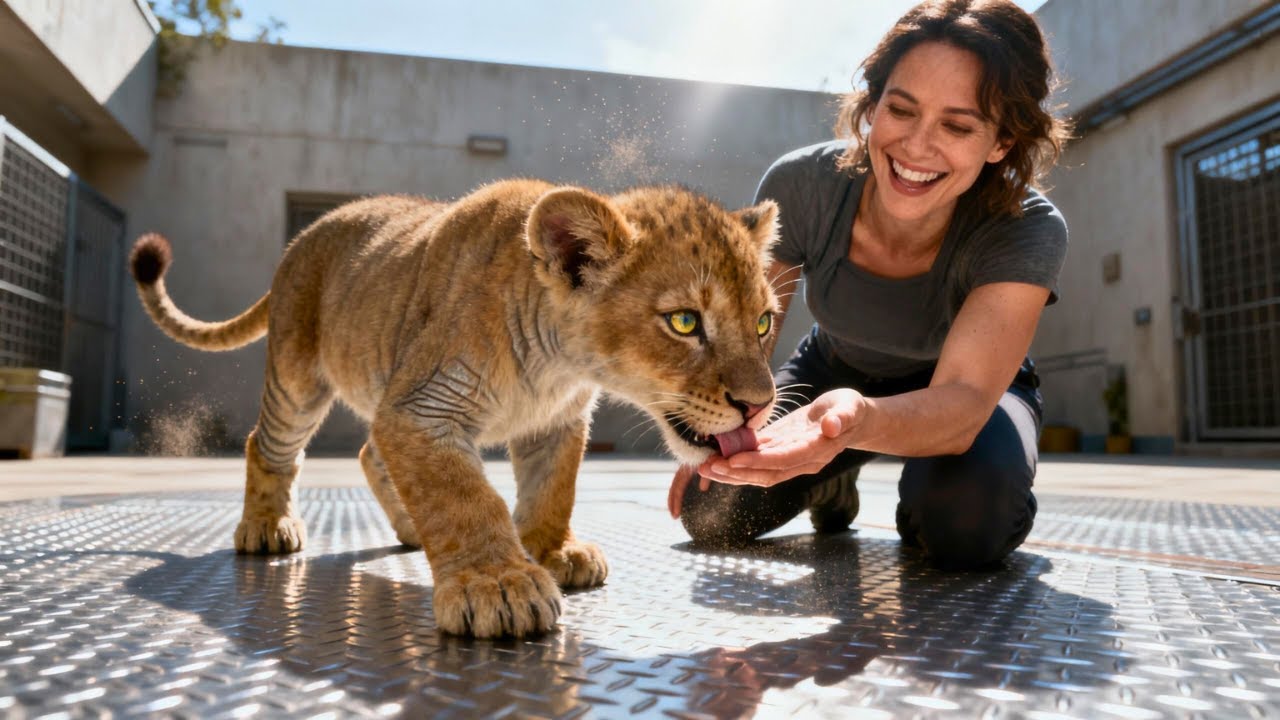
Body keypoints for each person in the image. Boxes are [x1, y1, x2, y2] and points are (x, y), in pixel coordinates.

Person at [668, 0, 1071, 570]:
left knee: (961, 526)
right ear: (873, 105)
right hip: (833, 370)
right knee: (709, 512)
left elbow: (964, 404)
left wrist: (859, 425)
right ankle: (829, 482)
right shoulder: (801, 185)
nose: (916, 146)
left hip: (966, 393)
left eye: (957, 126)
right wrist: (717, 426)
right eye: (900, 110)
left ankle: (920, 492)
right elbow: (744, 340)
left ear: (1001, 141)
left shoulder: (1027, 228)